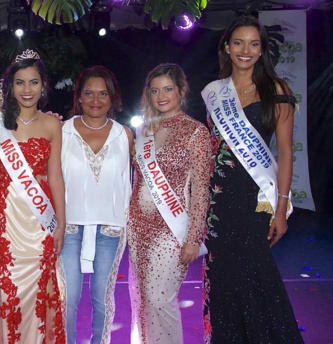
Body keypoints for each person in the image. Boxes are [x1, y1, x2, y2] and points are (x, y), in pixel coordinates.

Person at [201, 16, 304, 343]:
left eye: (254, 44)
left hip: (256, 200)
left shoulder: (277, 90)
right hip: (218, 201)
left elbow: (286, 152)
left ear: (262, 50)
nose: (245, 50)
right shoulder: (215, 92)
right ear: (227, 47)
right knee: (224, 278)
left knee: (256, 277)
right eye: (239, 43)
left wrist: (281, 209)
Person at [0, 50, 66, 343]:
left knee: (41, 292)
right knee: (9, 294)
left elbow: (55, 178)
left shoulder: (53, 124)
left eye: (34, 82)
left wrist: (61, 225)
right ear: (9, 86)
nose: (27, 90)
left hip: (41, 224)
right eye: (20, 82)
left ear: (43, 86)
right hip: (7, 223)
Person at [127, 63, 212, 343]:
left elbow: (201, 190)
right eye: (155, 91)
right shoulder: (144, 132)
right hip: (138, 227)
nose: (161, 96)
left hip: (171, 230)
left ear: (181, 91)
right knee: (140, 298)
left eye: (168, 89)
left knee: (159, 299)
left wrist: (193, 237)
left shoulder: (195, 132)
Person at [59, 65, 133, 344]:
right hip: (69, 227)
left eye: (103, 94)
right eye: (88, 93)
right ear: (79, 97)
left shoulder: (124, 135)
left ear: (113, 98)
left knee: (103, 297)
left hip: (111, 228)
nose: (95, 100)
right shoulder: (61, 130)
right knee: (69, 298)